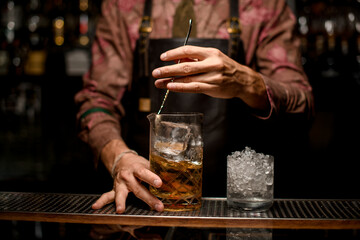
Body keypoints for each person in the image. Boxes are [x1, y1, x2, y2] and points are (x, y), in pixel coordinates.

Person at [75, 0, 314, 214]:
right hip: (149, 202)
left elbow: (302, 104)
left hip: (239, 204)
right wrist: (119, 157)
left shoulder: (263, 5)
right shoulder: (123, 5)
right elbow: (96, 100)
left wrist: (246, 82)